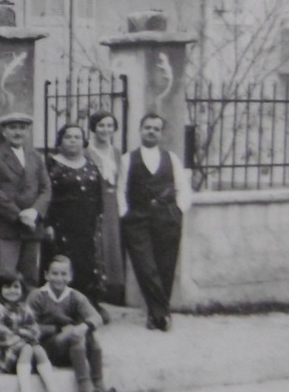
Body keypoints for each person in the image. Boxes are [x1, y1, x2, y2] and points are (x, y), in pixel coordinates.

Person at [119, 112, 193, 332]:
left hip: (167, 219)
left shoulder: (171, 158)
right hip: (137, 220)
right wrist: (125, 214)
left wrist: (178, 210)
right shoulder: (127, 159)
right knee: (145, 267)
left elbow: (183, 188)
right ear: (140, 130)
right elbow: (121, 191)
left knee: (165, 267)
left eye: (156, 129)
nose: (151, 131)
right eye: (147, 127)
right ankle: (162, 313)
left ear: (161, 133)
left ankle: (156, 314)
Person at [27, 255, 123, 392]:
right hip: (47, 349)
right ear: (46, 275)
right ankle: (85, 387)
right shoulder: (38, 296)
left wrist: (85, 326)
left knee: (91, 337)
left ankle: (99, 384)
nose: (59, 278)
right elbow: (28, 326)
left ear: (70, 276)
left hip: (70, 346)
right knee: (75, 335)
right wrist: (58, 329)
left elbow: (96, 317)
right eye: (54, 274)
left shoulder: (74, 296)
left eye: (64, 274)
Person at [0, 111, 52, 288]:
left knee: (31, 277)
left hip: (32, 228)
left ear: (27, 132)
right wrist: (19, 215)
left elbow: (46, 188)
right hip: (5, 227)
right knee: (4, 277)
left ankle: (27, 315)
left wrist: (35, 212)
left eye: (22, 128)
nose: (18, 132)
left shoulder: (35, 157)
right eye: (13, 128)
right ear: (4, 131)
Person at [0, 270, 63, 392]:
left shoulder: (23, 309)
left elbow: (34, 330)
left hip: (20, 354)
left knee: (38, 348)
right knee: (28, 347)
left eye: (16, 287)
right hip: (2, 354)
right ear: (0, 290)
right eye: (7, 287)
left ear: (22, 289)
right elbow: (2, 336)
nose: (12, 291)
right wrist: (24, 336)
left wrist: (20, 333)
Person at [46, 123, 106, 311]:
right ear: (60, 140)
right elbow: (45, 194)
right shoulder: (51, 164)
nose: (73, 140)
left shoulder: (91, 165)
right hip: (61, 225)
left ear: (84, 141)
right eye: (68, 137)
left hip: (87, 225)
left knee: (87, 265)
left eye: (77, 137)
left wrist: (98, 219)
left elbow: (98, 195)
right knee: (62, 263)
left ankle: (87, 307)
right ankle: (60, 308)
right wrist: (47, 223)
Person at [85, 110, 127, 306]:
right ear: (93, 128)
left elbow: (123, 182)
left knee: (110, 247)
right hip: (91, 204)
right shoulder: (85, 152)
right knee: (93, 246)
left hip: (112, 206)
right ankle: (91, 296)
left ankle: (107, 295)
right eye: (101, 125)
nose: (105, 129)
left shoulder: (118, 153)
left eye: (110, 125)